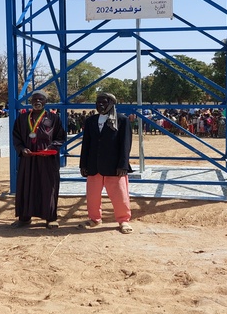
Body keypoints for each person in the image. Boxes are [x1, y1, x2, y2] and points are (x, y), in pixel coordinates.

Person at [79, 93, 134, 234]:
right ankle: (94, 219)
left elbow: (125, 144)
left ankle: (123, 220)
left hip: (114, 166)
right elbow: (86, 144)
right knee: (92, 196)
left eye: (104, 102)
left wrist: (123, 165)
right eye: (98, 102)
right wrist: (83, 164)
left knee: (120, 195)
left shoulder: (122, 120)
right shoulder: (91, 121)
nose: (100, 105)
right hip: (94, 165)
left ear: (112, 104)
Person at [11, 91, 66, 229]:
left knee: (48, 187)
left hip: (47, 160)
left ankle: (50, 218)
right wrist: (21, 149)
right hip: (28, 160)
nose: (37, 101)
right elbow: (16, 137)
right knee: (26, 186)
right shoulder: (22, 118)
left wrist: (50, 148)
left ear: (45, 102)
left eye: (40, 99)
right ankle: (24, 218)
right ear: (31, 101)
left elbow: (60, 137)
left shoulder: (54, 118)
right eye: (35, 99)